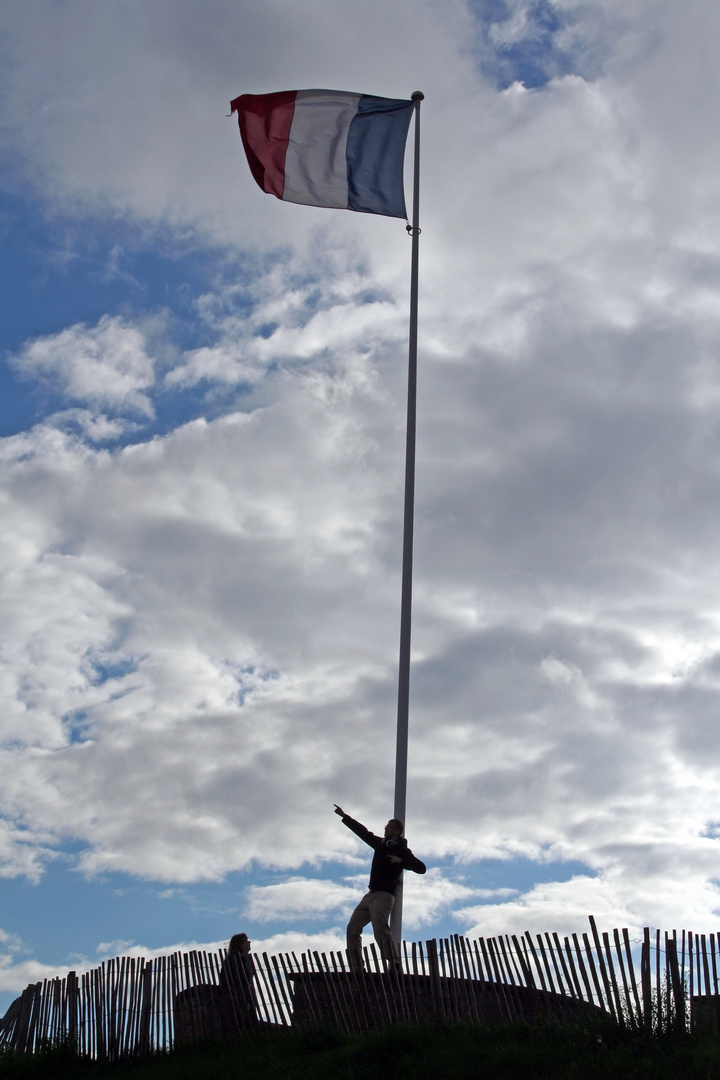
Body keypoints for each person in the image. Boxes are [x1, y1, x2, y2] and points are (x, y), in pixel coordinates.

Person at [334, 804, 426, 972]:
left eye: (389, 827)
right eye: (386, 826)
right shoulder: (380, 844)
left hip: (384, 895)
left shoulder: (402, 851)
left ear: (397, 831)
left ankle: (395, 964)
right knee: (352, 928)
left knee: (380, 929)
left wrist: (402, 862)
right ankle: (357, 968)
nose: (385, 828)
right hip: (370, 894)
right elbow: (363, 832)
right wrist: (345, 816)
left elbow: (421, 868)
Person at [219, 932, 258, 1028]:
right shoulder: (233, 960)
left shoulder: (247, 960)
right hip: (236, 999)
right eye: (246, 940)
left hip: (247, 999)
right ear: (240, 943)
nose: (249, 942)